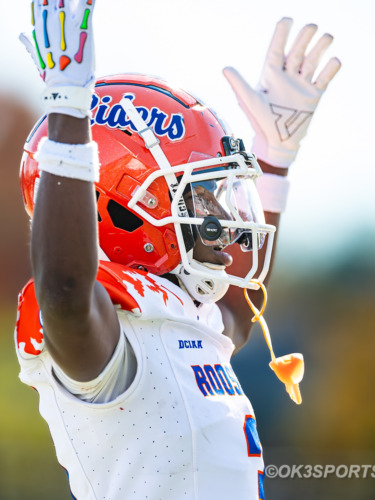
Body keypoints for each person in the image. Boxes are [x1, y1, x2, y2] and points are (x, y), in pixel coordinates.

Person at [15, 1, 341, 499]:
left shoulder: (179, 310)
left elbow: (240, 309)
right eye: (201, 197)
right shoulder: (94, 334)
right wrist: (66, 109)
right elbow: (64, 291)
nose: (225, 221)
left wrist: (274, 163)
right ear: (126, 208)